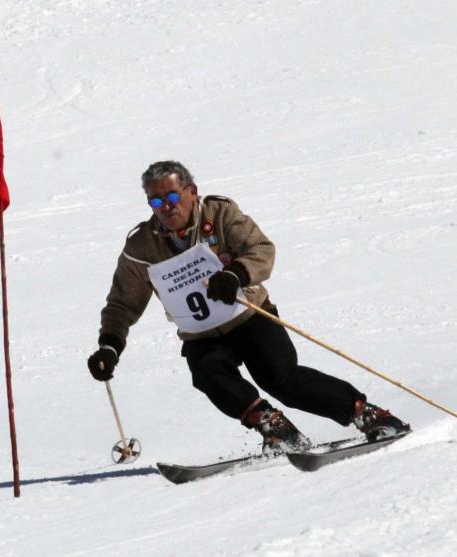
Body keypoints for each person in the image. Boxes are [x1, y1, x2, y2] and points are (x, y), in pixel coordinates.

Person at [87, 160, 409, 454]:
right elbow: (122, 303)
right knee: (208, 372)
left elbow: (261, 249)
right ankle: (277, 429)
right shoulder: (141, 246)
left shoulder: (220, 214)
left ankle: (366, 413)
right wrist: (110, 346)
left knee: (280, 377)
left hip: (249, 315)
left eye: (171, 196)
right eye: (155, 201)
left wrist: (235, 274)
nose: (165, 207)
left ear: (191, 191)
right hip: (202, 334)